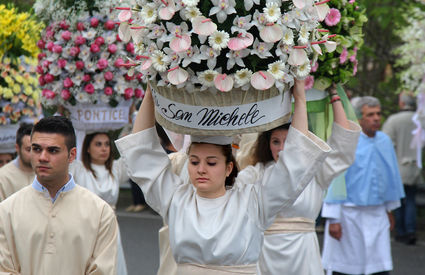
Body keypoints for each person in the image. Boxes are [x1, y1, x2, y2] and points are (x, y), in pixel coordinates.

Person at [115, 80, 331, 274]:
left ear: (229, 168)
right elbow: (142, 151)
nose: (201, 169)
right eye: (194, 162)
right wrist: (151, 94)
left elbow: (294, 162)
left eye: (211, 163)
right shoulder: (175, 198)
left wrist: (300, 99)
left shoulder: (253, 200)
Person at [240, 89, 361, 275]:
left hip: (304, 253)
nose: (282, 149)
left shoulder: (314, 172)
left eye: (288, 142)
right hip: (265, 254)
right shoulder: (256, 173)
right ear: (267, 144)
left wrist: (334, 94)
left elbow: (343, 145)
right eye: (275, 142)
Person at [0, 116, 118, 274]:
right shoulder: (7, 211)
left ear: (72, 155)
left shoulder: (100, 212)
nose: (42, 157)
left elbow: (102, 271)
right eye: (36, 149)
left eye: (52, 150)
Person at [321, 96, 405, 275]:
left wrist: (389, 210)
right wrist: (333, 219)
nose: (376, 118)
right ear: (359, 117)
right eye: (370, 114)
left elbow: (390, 177)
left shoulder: (385, 141)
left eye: (378, 114)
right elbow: (335, 179)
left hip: (377, 213)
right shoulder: (347, 142)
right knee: (346, 266)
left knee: (378, 264)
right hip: (349, 214)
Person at [70, 131, 129, 275]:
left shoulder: (115, 169)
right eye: (98, 144)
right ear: (87, 148)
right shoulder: (78, 169)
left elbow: (132, 153)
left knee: (112, 264)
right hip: (85, 226)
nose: (104, 148)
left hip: (110, 226)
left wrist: (131, 119)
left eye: (107, 144)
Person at [382, 92, 422, 245]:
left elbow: (386, 143)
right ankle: (411, 230)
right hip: (415, 166)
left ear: (402, 103)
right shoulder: (420, 120)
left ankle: (401, 231)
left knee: (398, 200)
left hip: (398, 166)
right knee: (410, 199)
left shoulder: (394, 120)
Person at [0, 123, 34, 201]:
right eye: (28, 150)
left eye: (37, 149)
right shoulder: (3, 177)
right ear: (17, 148)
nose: (33, 154)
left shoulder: (47, 173)